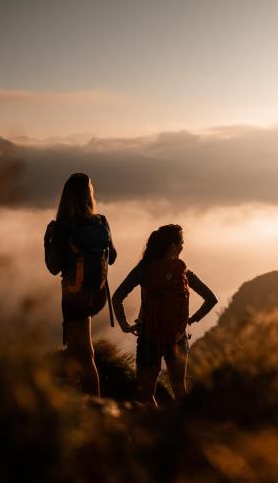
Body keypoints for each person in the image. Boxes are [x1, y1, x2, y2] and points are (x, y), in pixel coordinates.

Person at [112, 224, 217, 406]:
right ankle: (181, 430)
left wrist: (125, 325)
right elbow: (211, 299)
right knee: (179, 388)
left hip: (149, 335)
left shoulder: (144, 269)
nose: (183, 247)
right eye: (181, 243)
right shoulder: (183, 272)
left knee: (145, 393)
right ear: (172, 246)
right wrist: (191, 320)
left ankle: (155, 427)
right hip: (178, 336)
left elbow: (117, 297)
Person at [44, 173, 116, 397]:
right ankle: (82, 397)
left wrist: (47, 242)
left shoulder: (60, 226)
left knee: (85, 356)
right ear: (89, 195)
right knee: (79, 351)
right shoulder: (101, 221)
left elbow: (54, 267)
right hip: (98, 295)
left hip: (75, 297)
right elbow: (112, 257)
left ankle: (94, 404)